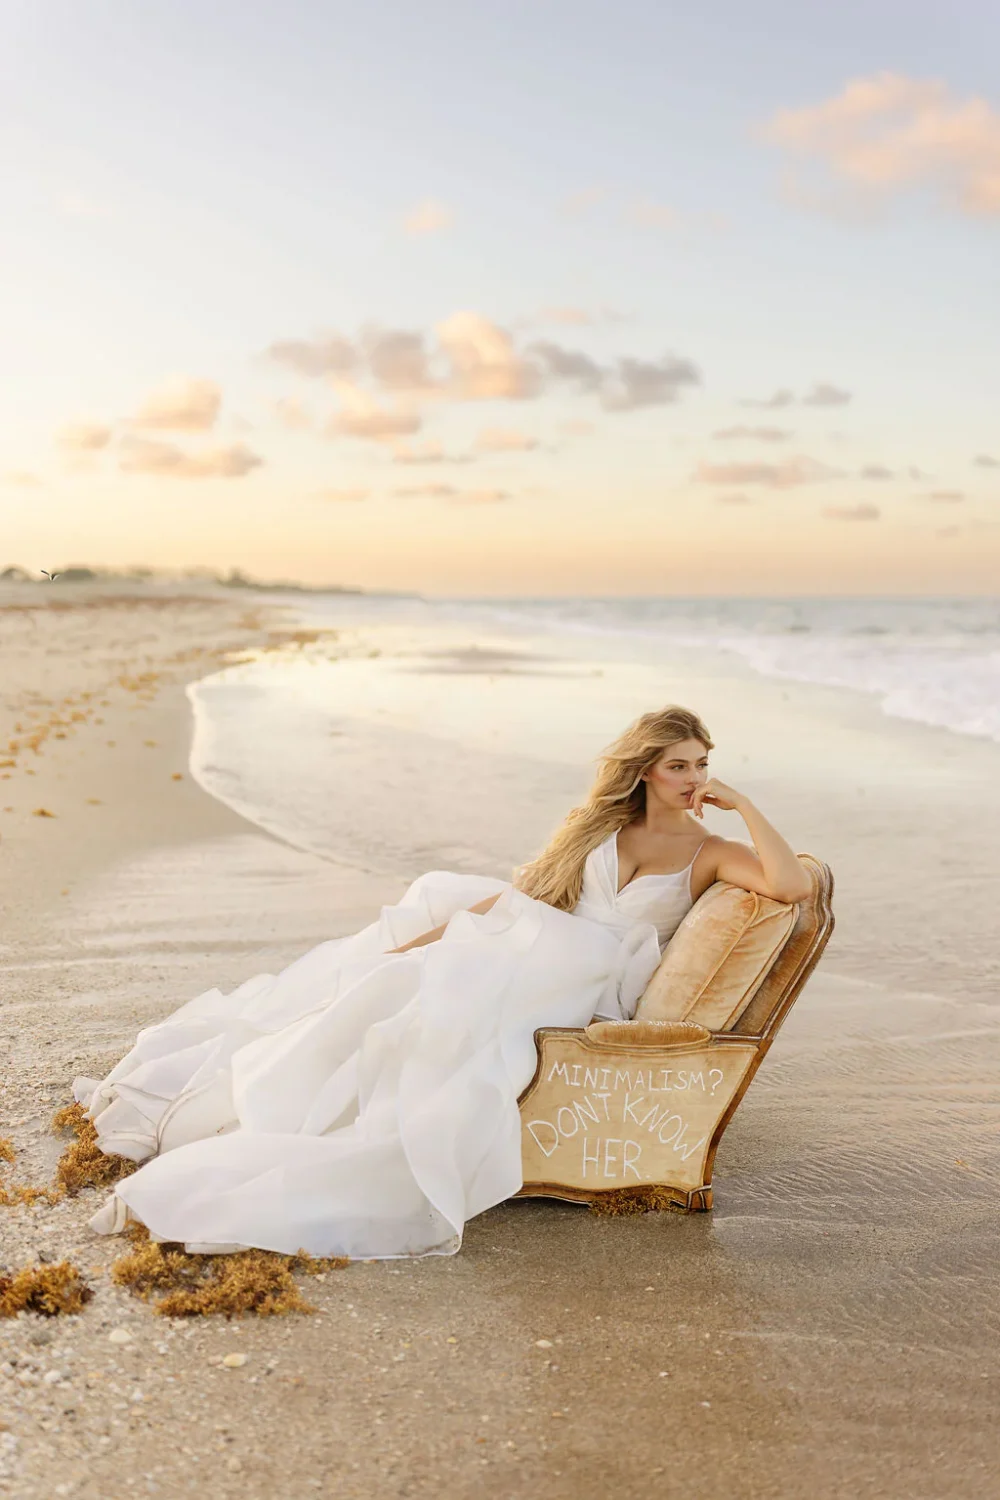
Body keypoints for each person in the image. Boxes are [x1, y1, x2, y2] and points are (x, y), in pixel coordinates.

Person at [74, 705, 810, 1260]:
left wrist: (744, 807)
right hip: (531, 938)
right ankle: (273, 1097)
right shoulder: (598, 831)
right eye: (681, 764)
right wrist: (425, 940)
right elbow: (529, 899)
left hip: (586, 972)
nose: (696, 779)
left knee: (445, 1006)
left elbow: (790, 884)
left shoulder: (711, 849)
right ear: (647, 768)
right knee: (396, 978)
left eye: (704, 764)